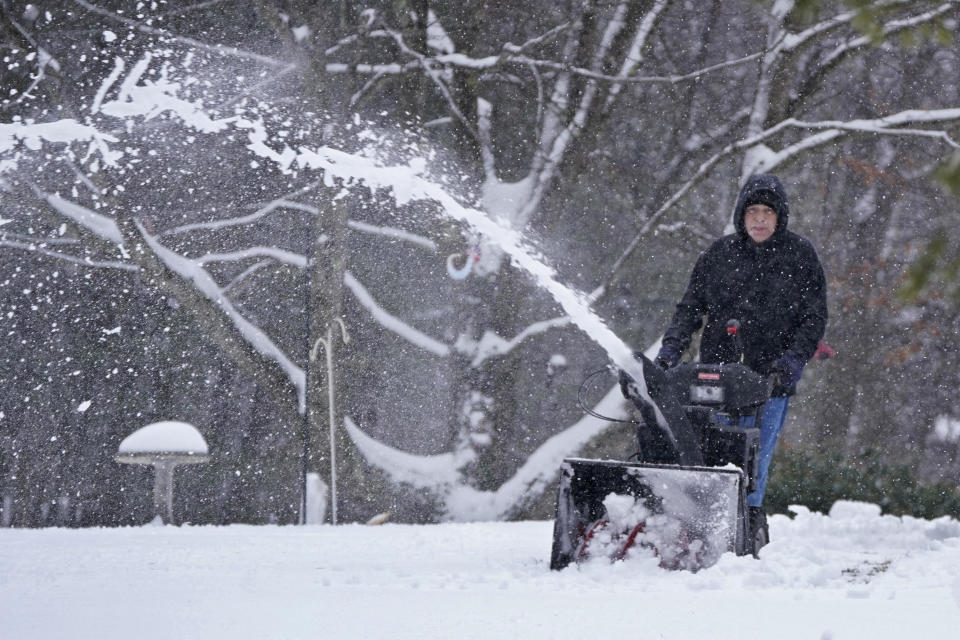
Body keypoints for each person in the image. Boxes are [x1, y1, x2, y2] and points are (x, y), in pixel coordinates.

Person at [655, 174, 828, 521]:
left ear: (780, 217)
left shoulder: (799, 256)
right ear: (741, 215)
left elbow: (813, 319)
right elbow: (689, 309)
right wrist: (670, 351)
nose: (760, 219)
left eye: (767, 211)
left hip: (770, 383)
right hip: (715, 380)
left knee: (753, 462)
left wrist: (792, 362)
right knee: (705, 456)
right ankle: (700, 524)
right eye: (753, 211)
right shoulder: (719, 255)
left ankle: (746, 526)